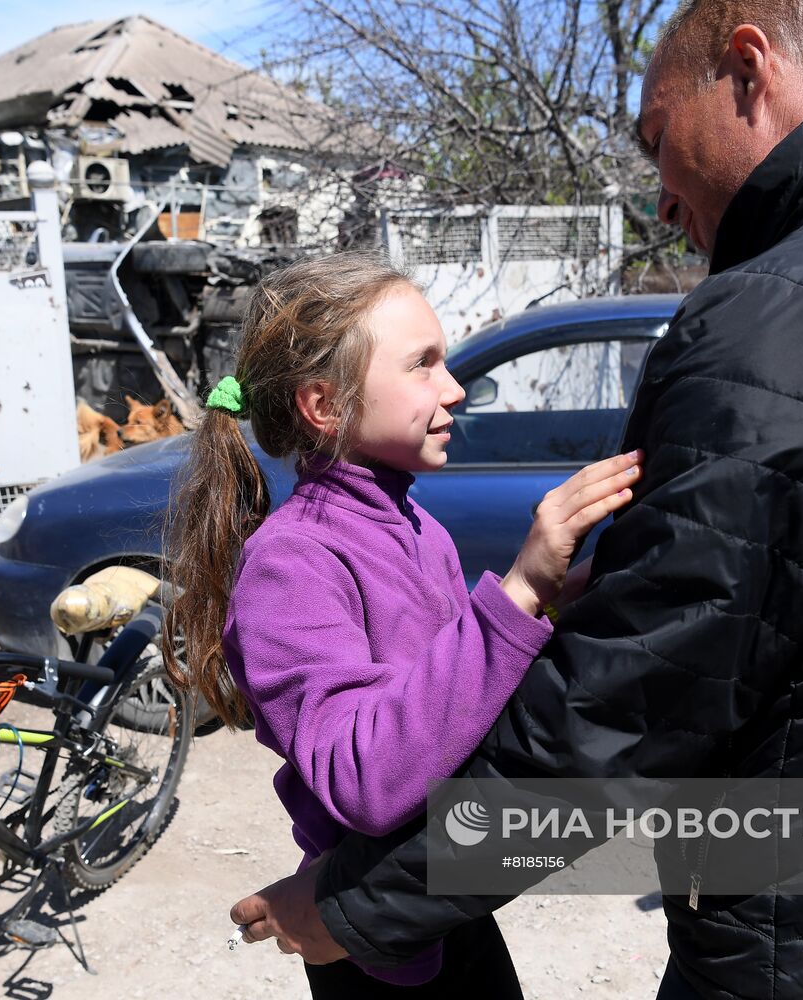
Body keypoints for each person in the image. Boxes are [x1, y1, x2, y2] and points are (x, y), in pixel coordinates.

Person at [228, 2, 803, 999]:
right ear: (323, 403)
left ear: (745, 69)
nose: (661, 199)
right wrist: (549, 608)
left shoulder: (788, 324)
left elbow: (621, 711)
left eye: (656, 140)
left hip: (798, 950)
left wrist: (362, 905)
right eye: (421, 364)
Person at [165, 252, 642, 997]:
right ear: (323, 405)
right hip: (374, 953)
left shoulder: (417, 526)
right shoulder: (290, 563)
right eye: (421, 365)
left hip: (439, 902)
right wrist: (514, 592)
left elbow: (460, 704)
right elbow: (366, 779)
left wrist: (554, 600)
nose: (454, 388)